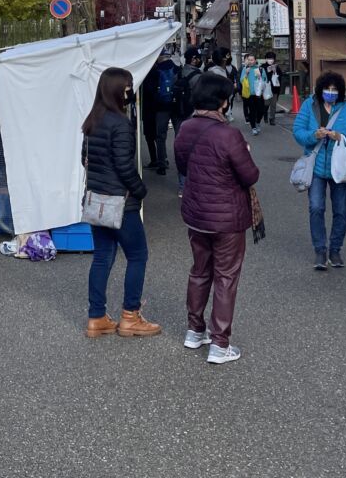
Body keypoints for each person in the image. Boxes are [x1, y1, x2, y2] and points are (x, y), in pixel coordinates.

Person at [174, 72, 260, 365]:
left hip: (196, 213)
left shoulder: (185, 128)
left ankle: (195, 330)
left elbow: (184, 165)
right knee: (226, 276)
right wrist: (246, 152)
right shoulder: (229, 134)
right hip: (227, 218)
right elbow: (250, 175)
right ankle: (220, 343)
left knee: (200, 271)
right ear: (223, 102)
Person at [83, 67, 161, 339]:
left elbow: (85, 160)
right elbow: (125, 167)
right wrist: (140, 191)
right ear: (118, 91)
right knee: (138, 256)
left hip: (96, 201)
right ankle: (130, 316)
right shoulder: (121, 124)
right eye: (128, 88)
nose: (131, 92)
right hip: (121, 202)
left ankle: (96, 317)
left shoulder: (92, 120)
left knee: (102, 257)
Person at [292, 72, 346, 271]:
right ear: (320, 89)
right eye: (328, 89)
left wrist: (340, 136)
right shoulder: (310, 105)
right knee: (316, 207)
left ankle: (335, 249)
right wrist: (313, 135)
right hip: (316, 166)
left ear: (340, 92)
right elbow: (298, 132)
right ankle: (320, 250)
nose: (331, 93)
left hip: (340, 168)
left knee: (341, 210)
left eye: (335, 90)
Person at [140, 52, 178, 175]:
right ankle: (180, 164)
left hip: (159, 108)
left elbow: (148, 90)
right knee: (179, 135)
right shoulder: (177, 68)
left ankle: (161, 163)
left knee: (160, 136)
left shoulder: (153, 71)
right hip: (175, 106)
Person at [240, 54, 269, 136]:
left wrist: (260, 76)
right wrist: (246, 74)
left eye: (252, 60)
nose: (250, 61)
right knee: (252, 111)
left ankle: (258, 122)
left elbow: (265, 79)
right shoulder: (245, 69)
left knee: (261, 110)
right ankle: (253, 127)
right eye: (249, 60)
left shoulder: (260, 69)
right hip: (249, 94)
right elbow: (241, 80)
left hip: (259, 93)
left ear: (255, 60)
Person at [264, 51, 282, 125]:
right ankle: (265, 114)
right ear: (266, 59)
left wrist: (275, 72)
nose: (270, 60)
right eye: (269, 58)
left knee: (273, 104)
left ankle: (272, 119)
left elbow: (281, 76)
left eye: (272, 58)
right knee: (266, 104)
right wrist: (268, 71)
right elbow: (261, 77)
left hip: (275, 89)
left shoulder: (276, 67)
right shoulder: (263, 67)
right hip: (266, 89)